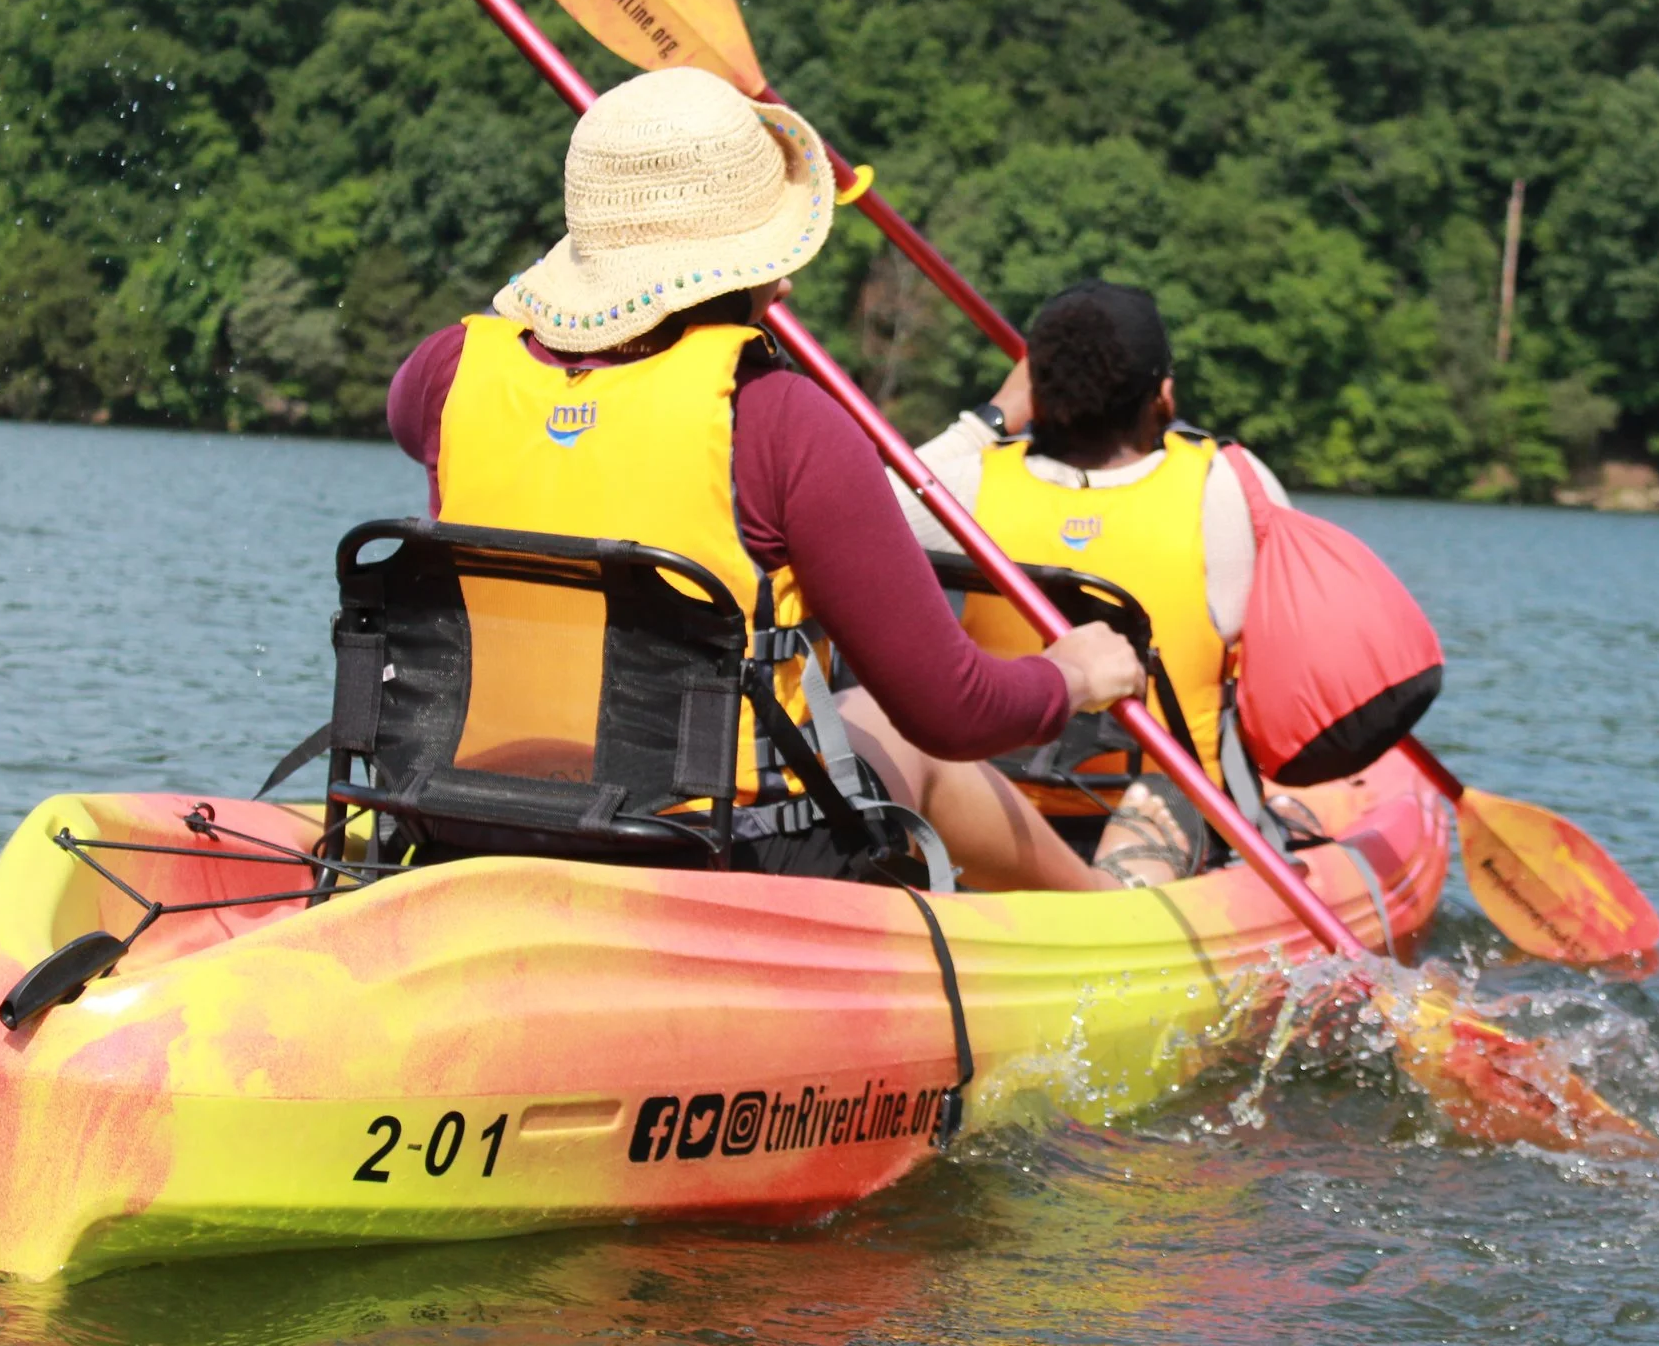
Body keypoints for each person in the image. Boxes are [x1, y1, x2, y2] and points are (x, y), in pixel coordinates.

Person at [381, 68, 1191, 891]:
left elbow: (534, 384)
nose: (789, 282)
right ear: (746, 265)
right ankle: (1105, 916)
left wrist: (597, 294)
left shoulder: (441, 376)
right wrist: (1076, 673)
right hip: (716, 854)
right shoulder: (783, 422)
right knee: (896, 733)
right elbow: (953, 708)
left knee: (866, 722)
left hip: (475, 815)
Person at [890, 282, 1300, 872]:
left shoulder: (971, 488)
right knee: (1165, 799)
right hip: (1164, 798)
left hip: (994, 805)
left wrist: (992, 418)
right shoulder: (1229, 483)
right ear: (1163, 392)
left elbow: (856, 509)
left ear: (1034, 389)